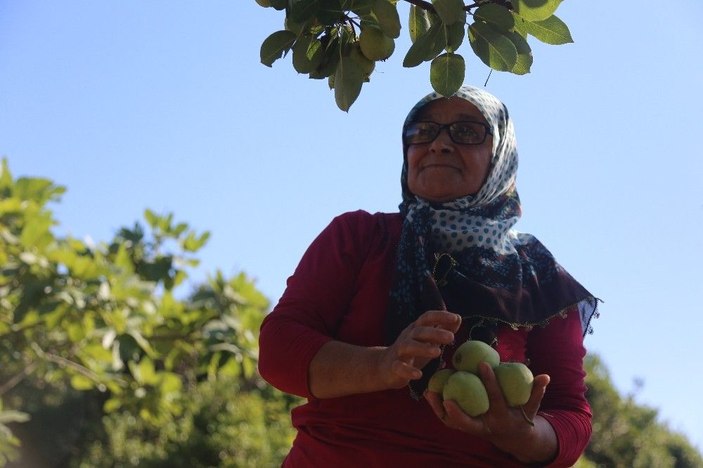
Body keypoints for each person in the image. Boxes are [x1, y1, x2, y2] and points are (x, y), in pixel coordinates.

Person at [258, 85, 599, 467]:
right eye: (423, 131)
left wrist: (523, 434)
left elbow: (571, 414)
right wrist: (382, 364)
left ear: (501, 155)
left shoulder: (540, 278)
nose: (438, 144)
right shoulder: (359, 236)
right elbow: (279, 348)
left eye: (467, 131)